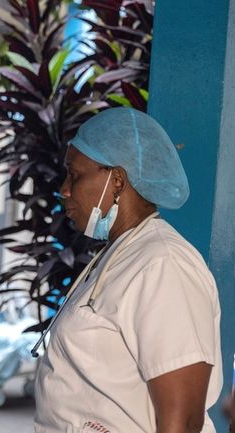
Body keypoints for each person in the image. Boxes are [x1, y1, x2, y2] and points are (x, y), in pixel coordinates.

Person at [34, 107, 222, 433]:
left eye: (74, 175)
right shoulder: (121, 253)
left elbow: (184, 421)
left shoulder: (163, 265)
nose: (65, 189)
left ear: (116, 181)